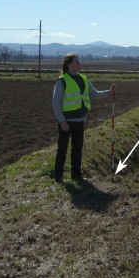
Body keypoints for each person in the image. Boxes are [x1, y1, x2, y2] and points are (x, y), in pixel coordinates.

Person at [52, 53, 115, 183]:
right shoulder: (62, 81)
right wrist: (62, 121)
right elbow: (56, 103)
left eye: (79, 61)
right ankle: (58, 175)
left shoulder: (84, 79)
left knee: (77, 149)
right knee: (62, 149)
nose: (79, 63)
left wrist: (108, 93)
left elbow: (94, 94)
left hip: (80, 120)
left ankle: (76, 175)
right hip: (66, 121)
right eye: (76, 61)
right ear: (69, 64)